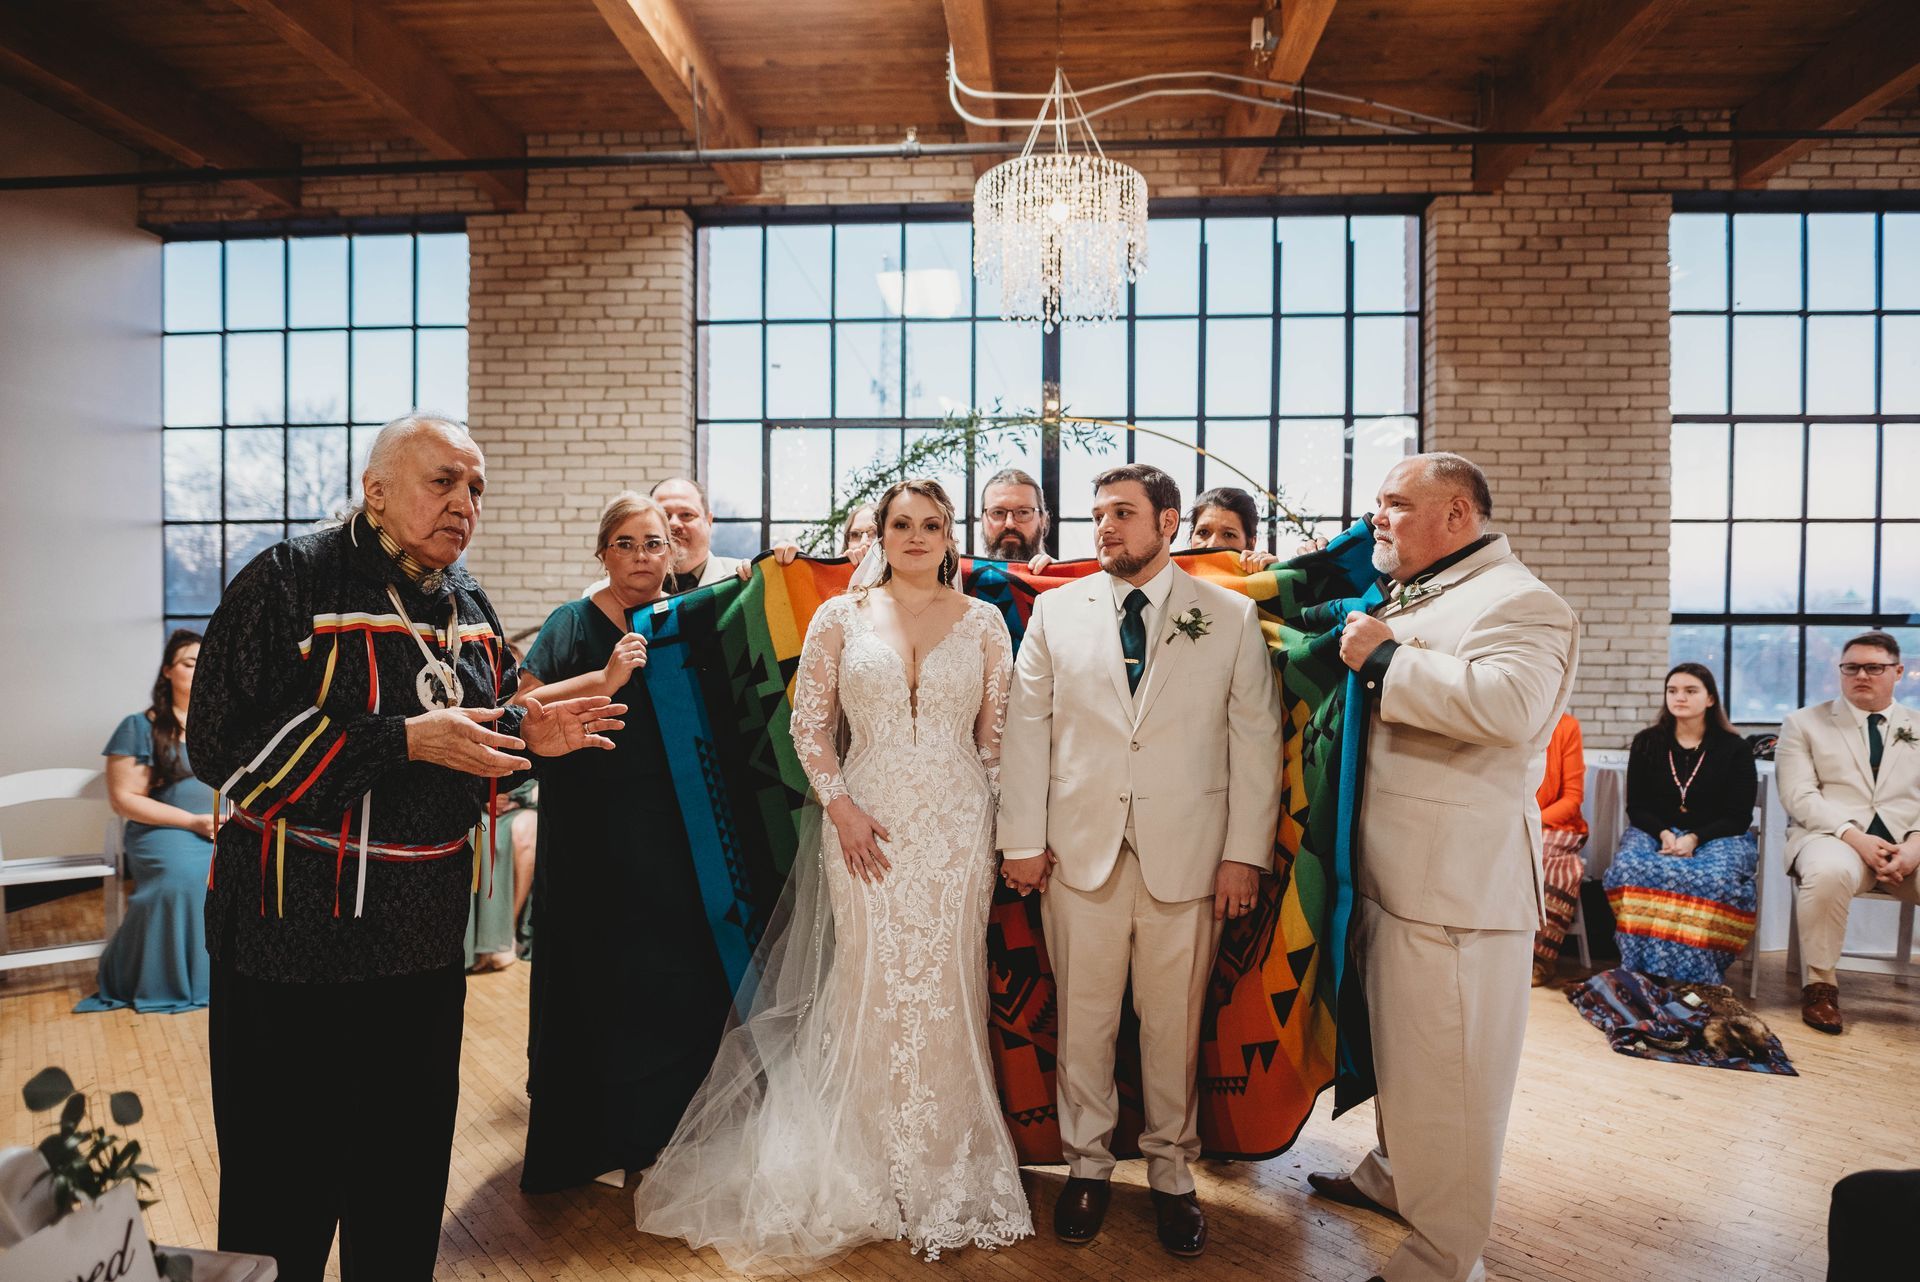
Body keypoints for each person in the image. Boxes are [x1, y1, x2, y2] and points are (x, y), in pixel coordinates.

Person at [188, 412, 623, 1281]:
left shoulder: (468, 604)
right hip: (291, 940)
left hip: (423, 946)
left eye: (476, 489)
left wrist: (532, 739)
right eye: (444, 481)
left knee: (404, 1183)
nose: (465, 503)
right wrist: (404, 742)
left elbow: (482, 728)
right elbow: (223, 746)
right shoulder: (289, 580)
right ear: (375, 489)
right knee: (284, 1191)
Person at [633, 478, 1031, 1271]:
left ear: (952, 535)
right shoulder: (839, 617)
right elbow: (808, 727)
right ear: (879, 534)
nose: (916, 537)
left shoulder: (986, 622)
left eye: (932, 524)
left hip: (957, 833)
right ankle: (866, 1161)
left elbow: (997, 738)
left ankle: (943, 1168)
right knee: (873, 980)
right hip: (864, 826)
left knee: (951, 987)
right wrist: (842, 807)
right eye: (901, 524)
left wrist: (988, 827)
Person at [998, 463, 1283, 1259]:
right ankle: (1088, 1165)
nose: (1106, 529)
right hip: (1079, 856)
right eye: (1096, 515)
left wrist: (1243, 857)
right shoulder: (1056, 612)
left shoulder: (1225, 616)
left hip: (1189, 860)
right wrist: (1022, 841)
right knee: (1083, 1026)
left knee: (1173, 1028)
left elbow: (1255, 743)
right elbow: (1028, 729)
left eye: (1123, 513)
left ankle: (1172, 1174)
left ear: (1167, 523)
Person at [1307, 453, 1577, 1282]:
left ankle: (1444, 1256)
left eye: (1394, 504)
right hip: (1391, 873)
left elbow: (1511, 707)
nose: (1376, 519)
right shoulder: (1426, 588)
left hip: (1457, 890)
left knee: (1453, 1081)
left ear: (1457, 515)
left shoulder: (1525, 602)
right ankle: (1393, 1176)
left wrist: (1385, 660)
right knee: (1402, 1057)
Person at [516, 491, 735, 1193]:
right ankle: (593, 1142)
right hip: (587, 834)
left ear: (673, 554)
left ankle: (663, 1137)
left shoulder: (684, 623)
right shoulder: (569, 622)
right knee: (593, 980)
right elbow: (520, 708)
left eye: (654, 544)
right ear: (602, 553)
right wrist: (606, 677)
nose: (642, 557)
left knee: (673, 983)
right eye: (626, 544)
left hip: (673, 833)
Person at [1775, 631, 1920, 1034]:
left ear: (1898, 672)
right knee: (1828, 872)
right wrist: (1852, 835)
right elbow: (1797, 795)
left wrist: (1914, 846)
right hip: (1832, 838)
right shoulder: (1803, 723)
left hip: (1908, 844)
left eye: (1874, 667)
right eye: (1851, 667)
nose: (1862, 675)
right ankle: (1820, 985)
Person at [75, 630, 216, 1014]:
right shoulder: (140, 726)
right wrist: (193, 823)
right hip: (165, 831)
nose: (200, 670)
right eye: (190, 663)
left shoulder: (223, 726)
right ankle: (159, 980)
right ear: (167, 671)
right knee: (183, 880)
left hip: (221, 828)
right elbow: (124, 800)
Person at [1603, 663, 1759, 986]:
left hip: (1718, 834)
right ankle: (1642, 970)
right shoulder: (1647, 742)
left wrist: (1694, 839)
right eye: (1672, 691)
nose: (1680, 698)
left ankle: (1699, 975)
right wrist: (1663, 833)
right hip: (1655, 831)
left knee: (1712, 878)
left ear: (1711, 699)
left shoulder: (1735, 749)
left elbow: (1738, 816)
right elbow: (1637, 806)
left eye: (1690, 691)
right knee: (1631, 868)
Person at [1531, 712, 1589, 985]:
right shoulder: (1509, 719)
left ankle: (1539, 957)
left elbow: (1572, 798)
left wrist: (1531, 820)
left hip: (1555, 825)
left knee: (1548, 859)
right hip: (1508, 819)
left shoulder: (1566, 726)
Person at [1187, 486, 1281, 571]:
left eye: (1228, 534)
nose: (1212, 545)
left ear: (1250, 544)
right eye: (1203, 532)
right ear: (1191, 537)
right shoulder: (1174, 578)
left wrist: (1275, 580)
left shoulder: (1263, 582)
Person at [980, 466, 1049, 560]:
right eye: (998, 512)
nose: (1010, 524)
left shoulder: (1065, 574)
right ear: (982, 520)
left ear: (1043, 520)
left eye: (1023, 512)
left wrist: (1052, 572)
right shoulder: (962, 574)